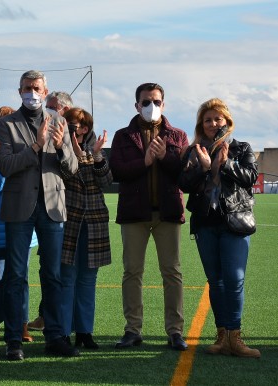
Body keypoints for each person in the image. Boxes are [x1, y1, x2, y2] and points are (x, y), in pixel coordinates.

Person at [0, 70, 78, 360]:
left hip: (53, 207)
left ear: (45, 91)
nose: (32, 92)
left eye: (37, 88)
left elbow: (72, 168)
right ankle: (14, 340)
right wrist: (37, 146)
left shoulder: (60, 122)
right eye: (27, 88)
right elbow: (5, 165)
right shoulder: (6, 125)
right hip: (20, 208)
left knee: (52, 274)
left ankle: (55, 336)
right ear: (20, 92)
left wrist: (60, 147)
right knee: (16, 275)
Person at [109, 82, 188, 351]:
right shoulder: (122, 136)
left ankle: (175, 331)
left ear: (163, 104)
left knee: (172, 272)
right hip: (134, 213)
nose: (150, 106)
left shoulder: (177, 135)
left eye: (155, 101)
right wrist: (143, 162)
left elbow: (183, 174)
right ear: (136, 105)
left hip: (167, 212)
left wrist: (165, 157)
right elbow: (116, 171)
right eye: (145, 102)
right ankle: (133, 330)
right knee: (132, 271)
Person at [179, 98, 260, 358]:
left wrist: (222, 164)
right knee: (216, 282)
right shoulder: (194, 150)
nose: (213, 124)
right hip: (205, 223)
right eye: (208, 120)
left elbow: (250, 177)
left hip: (234, 222)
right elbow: (185, 184)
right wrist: (203, 169)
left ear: (227, 121)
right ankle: (222, 335)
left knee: (234, 280)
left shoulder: (241, 148)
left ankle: (235, 336)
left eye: (218, 119)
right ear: (201, 125)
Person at [0, 106, 36, 344]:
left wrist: (17, 160)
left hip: (23, 226)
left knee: (21, 278)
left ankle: (21, 326)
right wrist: (8, 164)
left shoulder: (24, 152)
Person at [60, 107, 112, 349]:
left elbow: (106, 182)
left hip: (94, 221)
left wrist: (97, 156)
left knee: (88, 279)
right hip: (68, 221)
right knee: (67, 278)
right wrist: (75, 154)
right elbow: (64, 176)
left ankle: (85, 332)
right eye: (72, 124)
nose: (77, 129)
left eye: (82, 125)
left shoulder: (95, 150)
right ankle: (63, 332)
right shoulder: (57, 148)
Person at [29, 90, 75, 331]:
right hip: (33, 207)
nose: (47, 109)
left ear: (64, 110)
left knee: (56, 271)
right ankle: (43, 317)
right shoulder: (36, 126)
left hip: (60, 208)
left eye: (52, 106)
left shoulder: (69, 130)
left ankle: (59, 326)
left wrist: (60, 146)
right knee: (42, 268)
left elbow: (72, 169)